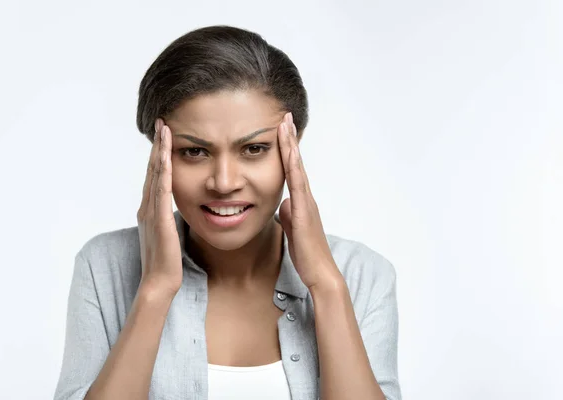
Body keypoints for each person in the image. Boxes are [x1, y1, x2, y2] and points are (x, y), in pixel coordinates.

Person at [54, 25, 401, 400]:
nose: (223, 182)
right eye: (194, 151)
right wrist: (154, 290)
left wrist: (327, 288)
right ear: (159, 152)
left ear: (292, 147)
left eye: (253, 149)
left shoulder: (361, 275)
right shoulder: (104, 266)